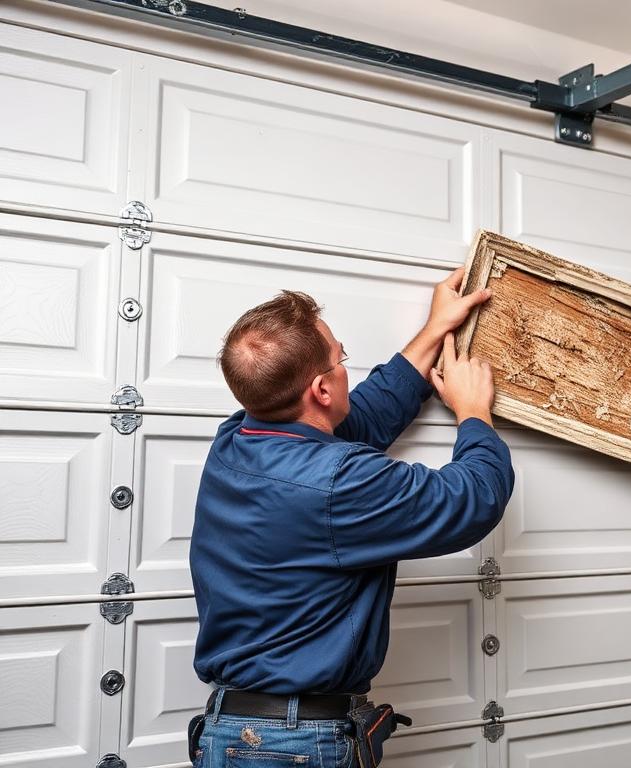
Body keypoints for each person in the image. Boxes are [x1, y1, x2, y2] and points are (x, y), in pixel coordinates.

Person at [187, 268, 515, 767]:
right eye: (342, 359)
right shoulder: (339, 483)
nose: (346, 368)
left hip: (231, 734)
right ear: (320, 389)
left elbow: (357, 418)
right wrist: (474, 412)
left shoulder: (236, 442)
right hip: (293, 747)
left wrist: (434, 330)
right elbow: (471, 500)